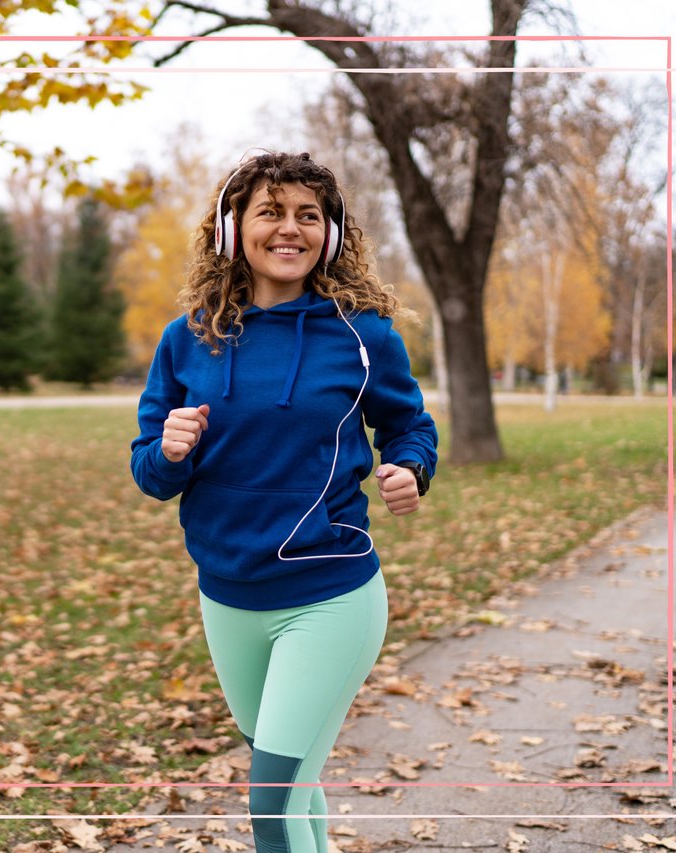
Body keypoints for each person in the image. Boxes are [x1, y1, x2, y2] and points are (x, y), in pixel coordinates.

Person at [129, 151, 438, 853]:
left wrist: (410, 467)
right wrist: (170, 449)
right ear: (231, 228)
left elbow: (409, 425)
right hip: (228, 599)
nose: (289, 228)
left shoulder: (363, 334)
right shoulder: (188, 339)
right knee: (297, 787)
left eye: (308, 214)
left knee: (270, 804)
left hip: (329, 596)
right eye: (270, 211)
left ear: (329, 234)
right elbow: (149, 472)